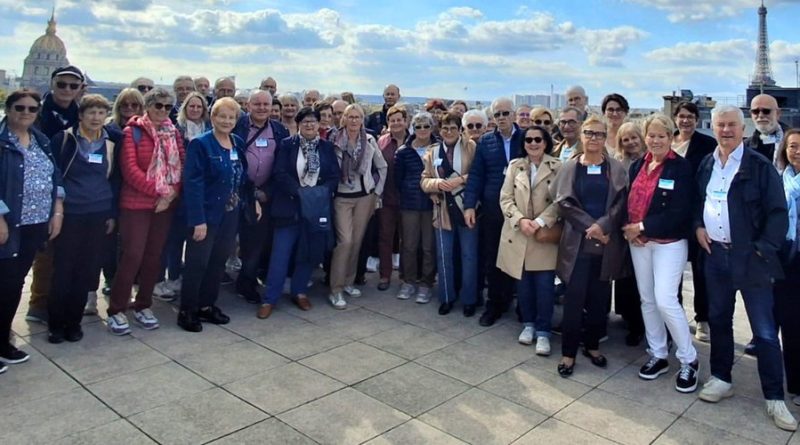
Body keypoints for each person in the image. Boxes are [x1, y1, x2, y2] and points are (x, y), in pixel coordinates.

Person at [694, 104, 797, 431]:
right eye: (720, 125)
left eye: (731, 125)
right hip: (716, 257)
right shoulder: (708, 163)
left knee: (765, 332)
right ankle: (722, 378)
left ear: (743, 129)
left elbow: (778, 213)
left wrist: (762, 250)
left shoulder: (759, 165)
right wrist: (698, 226)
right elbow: (698, 202)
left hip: (751, 259)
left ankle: (773, 397)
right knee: (720, 320)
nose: (725, 130)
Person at [623, 114, 699, 392]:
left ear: (670, 137)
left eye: (661, 136)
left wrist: (642, 226)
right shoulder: (637, 166)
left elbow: (680, 212)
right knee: (647, 300)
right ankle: (658, 354)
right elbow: (629, 201)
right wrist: (632, 229)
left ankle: (689, 359)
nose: (655, 140)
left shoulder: (680, 168)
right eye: (651, 135)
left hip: (669, 242)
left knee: (665, 299)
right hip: (639, 243)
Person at [553, 115, 627, 377]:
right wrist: (591, 227)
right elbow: (563, 202)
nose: (594, 138)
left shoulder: (616, 168)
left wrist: (604, 226)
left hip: (605, 244)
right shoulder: (570, 167)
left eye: (599, 133)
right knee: (574, 301)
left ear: (606, 136)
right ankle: (569, 353)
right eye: (589, 133)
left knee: (599, 300)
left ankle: (593, 345)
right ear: (581, 136)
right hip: (578, 244)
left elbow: (621, 202)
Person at [106, 88, 185, 336]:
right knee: (133, 255)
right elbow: (130, 170)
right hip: (137, 204)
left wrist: (171, 193)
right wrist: (160, 192)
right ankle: (117, 309)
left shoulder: (174, 133)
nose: (162, 110)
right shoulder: (133, 132)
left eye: (167, 107)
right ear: (148, 106)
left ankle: (143, 304)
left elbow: (182, 165)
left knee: (154, 256)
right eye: (158, 105)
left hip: (165, 205)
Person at [48, 94, 121, 343]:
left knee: (86, 269)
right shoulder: (65, 139)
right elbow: (55, 175)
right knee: (63, 269)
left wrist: (112, 214)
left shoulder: (110, 143)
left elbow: (113, 180)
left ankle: (74, 321)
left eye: (101, 113)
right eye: (91, 112)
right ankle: (56, 323)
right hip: (70, 212)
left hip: (98, 212)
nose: (96, 118)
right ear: (81, 115)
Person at [0, 89, 64, 369]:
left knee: (14, 284)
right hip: (8, 225)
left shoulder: (41, 140)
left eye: (31, 109)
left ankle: (3, 341)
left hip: (36, 223)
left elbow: (55, 175)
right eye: (20, 107)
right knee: (3, 283)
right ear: (8, 108)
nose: (25, 113)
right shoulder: (2, 141)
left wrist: (57, 211)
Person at [257, 107, 340, 319]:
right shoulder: (287, 145)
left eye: (313, 121)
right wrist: (299, 192)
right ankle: (270, 298)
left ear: (319, 124)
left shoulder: (327, 147)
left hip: (315, 210)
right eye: (305, 122)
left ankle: (299, 291)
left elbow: (333, 176)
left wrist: (319, 194)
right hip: (290, 208)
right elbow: (279, 173)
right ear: (299, 124)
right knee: (280, 255)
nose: (310, 125)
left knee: (307, 253)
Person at [180, 97, 249, 332]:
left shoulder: (237, 142)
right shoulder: (201, 144)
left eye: (231, 117)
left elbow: (242, 177)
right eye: (222, 116)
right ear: (213, 117)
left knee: (217, 262)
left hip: (230, 215)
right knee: (197, 263)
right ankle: (187, 310)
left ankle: (207, 305)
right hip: (206, 216)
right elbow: (193, 184)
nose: (227, 121)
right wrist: (198, 220)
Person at [25, 65, 83, 324]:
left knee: (66, 250)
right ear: (52, 85)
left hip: (73, 189)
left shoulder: (81, 114)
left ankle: (57, 301)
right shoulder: (34, 112)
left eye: (73, 85)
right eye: (62, 84)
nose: (67, 90)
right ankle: (38, 302)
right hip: (38, 189)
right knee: (42, 249)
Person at [497, 125, 561, 354]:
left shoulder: (557, 167)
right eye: (529, 140)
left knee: (544, 287)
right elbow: (505, 198)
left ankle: (544, 331)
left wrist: (541, 222)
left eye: (538, 139)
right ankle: (528, 324)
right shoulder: (516, 166)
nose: (533, 143)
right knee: (523, 286)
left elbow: (561, 201)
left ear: (546, 142)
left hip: (542, 235)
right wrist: (520, 219)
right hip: (519, 233)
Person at [463, 97, 524, 326]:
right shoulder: (486, 141)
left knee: (519, 258)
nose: (501, 118)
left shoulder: (527, 137)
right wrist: (470, 205)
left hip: (521, 209)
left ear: (514, 114)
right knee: (493, 258)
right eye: (497, 114)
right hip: (492, 208)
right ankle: (495, 304)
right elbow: (477, 175)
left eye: (505, 113)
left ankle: (522, 306)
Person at [232, 90, 289, 303]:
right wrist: (249, 191)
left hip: (265, 194)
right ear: (248, 105)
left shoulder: (279, 130)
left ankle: (246, 283)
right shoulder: (237, 126)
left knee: (255, 244)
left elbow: (282, 166)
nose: (262, 108)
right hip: (238, 192)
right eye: (257, 104)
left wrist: (267, 192)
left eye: (266, 104)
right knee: (229, 240)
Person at [329, 104, 387, 309]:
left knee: (356, 241)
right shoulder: (333, 140)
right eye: (350, 117)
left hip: (365, 197)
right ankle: (335, 289)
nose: (354, 121)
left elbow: (382, 166)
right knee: (344, 241)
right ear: (344, 119)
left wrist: (377, 192)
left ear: (362, 119)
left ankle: (348, 281)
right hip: (342, 197)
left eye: (358, 117)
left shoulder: (370, 140)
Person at [671, 101, 716, 342]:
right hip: (671, 216)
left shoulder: (707, 144)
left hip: (697, 215)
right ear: (675, 118)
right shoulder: (668, 142)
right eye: (681, 116)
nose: (686, 120)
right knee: (673, 269)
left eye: (690, 117)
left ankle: (702, 320)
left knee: (700, 272)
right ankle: (674, 314)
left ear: (697, 120)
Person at [394, 112, 437, 303]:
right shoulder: (403, 151)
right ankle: (408, 281)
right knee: (409, 245)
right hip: (409, 204)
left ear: (432, 128)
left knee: (428, 246)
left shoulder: (439, 149)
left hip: (432, 204)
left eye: (426, 126)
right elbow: (397, 179)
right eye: (418, 126)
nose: (422, 130)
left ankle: (426, 283)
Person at [611, 121, 646, 345]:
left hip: (644, 228)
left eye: (634, 137)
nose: (631, 142)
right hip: (622, 226)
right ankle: (631, 320)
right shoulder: (617, 163)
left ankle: (644, 324)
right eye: (626, 139)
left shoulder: (650, 160)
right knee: (626, 277)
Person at [773, 129, 800, 408]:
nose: (797, 151)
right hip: (786, 258)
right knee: (791, 323)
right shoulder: (780, 181)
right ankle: (796, 382)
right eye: (792, 146)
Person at [376, 104, 408, 291]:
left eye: (399, 119)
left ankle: (405, 276)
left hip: (408, 199)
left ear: (405, 121)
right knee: (385, 237)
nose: (396, 123)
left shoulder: (413, 141)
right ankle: (385, 275)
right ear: (388, 122)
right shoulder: (381, 142)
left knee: (407, 240)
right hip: (386, 198)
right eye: (392, 120)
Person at [747, 94, 787, 164]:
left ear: (778, 113)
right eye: (755, 111)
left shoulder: (796, 140)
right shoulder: (744, 147)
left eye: (766, 111)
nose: (761, 115)